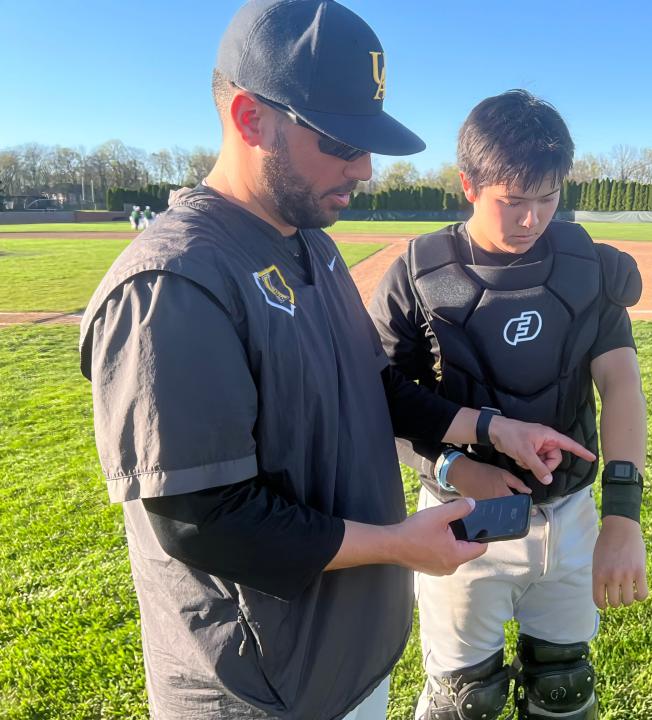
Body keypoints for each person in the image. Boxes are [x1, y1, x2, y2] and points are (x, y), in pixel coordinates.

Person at [78, 5, 593, 720]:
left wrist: (487, 427)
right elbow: (203, 520)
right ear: (250, 117)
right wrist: (394, 545)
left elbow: (373, 387)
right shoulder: (174, 283)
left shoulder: (309, 241)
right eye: (339, 141)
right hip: (259, 692)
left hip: (343, 664)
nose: (365, 168)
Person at [369, 90, 649, 720]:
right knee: (465, 698)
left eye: (548, 198)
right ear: (468, 184)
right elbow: (381, 406)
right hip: (461, 516)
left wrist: (623, 515)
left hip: (570, 511)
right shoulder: (416, 277)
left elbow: (622, 385)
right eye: (513, 201)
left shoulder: (586, 269)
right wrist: (455, 470)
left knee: (564, 685)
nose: (532, 219)